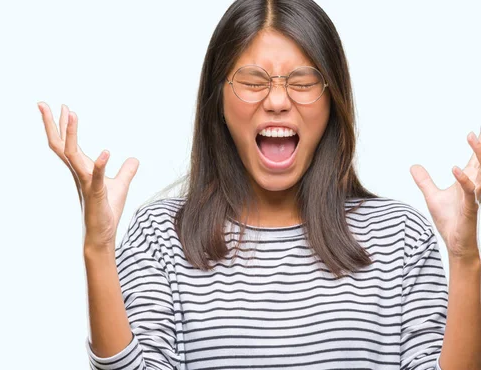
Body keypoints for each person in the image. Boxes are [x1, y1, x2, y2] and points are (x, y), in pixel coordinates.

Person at [38, 0, 481, 369]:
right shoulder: (160, 236)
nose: (276, 101)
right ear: (219, 100)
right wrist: (98, 248)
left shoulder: (400, 236)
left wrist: (464, 260)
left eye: (303, 82)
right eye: (252, 81)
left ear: (333, 99)